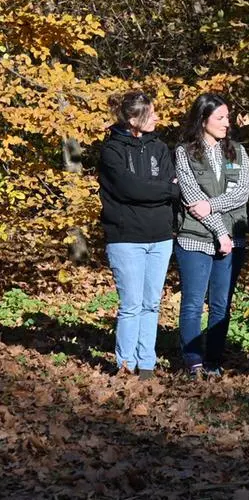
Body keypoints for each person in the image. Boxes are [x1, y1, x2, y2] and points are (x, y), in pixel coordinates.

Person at [99, 91, 180, 380]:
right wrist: (161, 189)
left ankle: (146, 365)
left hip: (160, 236)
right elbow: (129, 189)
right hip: (125, 238)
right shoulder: (112, 150)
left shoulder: (160, 146)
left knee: (151, 303)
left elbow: (175, 186)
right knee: (131, 305)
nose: (157, 117)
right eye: (152, 112)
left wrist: (155, 188)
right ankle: (125, 365)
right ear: (134, 119)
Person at [174, 93, 249, 378]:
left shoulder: (238, 152)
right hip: (196, 238)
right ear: (202, 120)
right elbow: (192, 197)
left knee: (221, 304)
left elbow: (241, 193)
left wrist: (213, 206)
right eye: (220, 118)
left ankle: (213, 362)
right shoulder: (184, 152)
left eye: (227, 117)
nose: (226, 123)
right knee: (193, 303)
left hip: (233, 240)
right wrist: (220, 232)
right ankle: (193, 362)